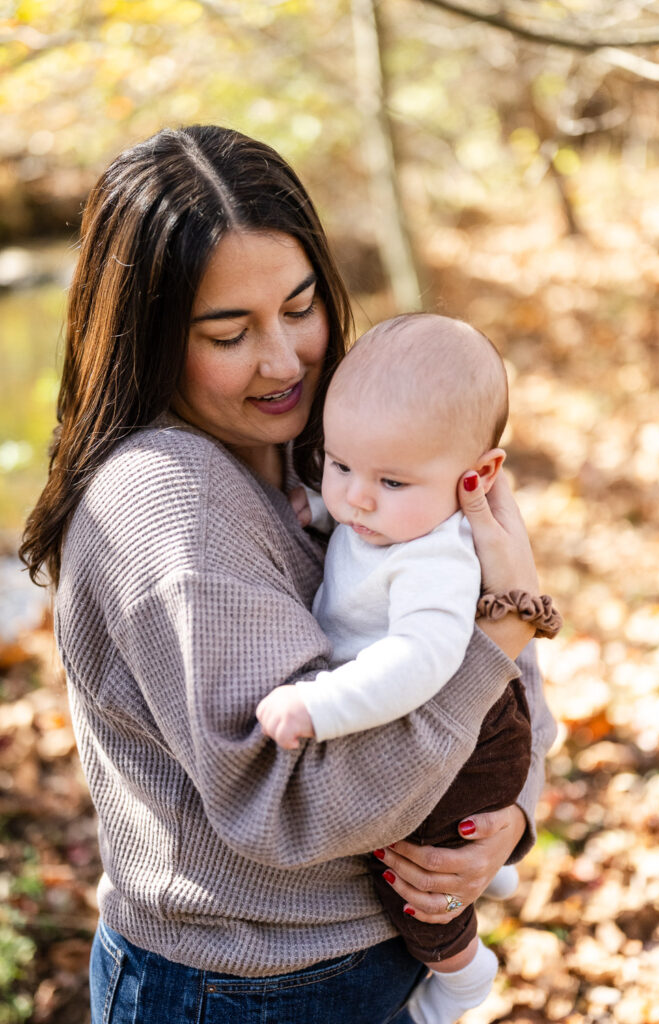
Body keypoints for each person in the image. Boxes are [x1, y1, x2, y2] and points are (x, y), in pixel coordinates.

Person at [20, 125, 557, 1024]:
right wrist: (500, 628)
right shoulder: (167, 505)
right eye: (229, 333)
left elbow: (502, 690)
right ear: (147, 338)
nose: (284, 360)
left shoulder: (343, 444)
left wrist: (503, 817)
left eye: (300, 307)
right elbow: (291, 801)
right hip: (243, 984)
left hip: (380, 953)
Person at [256, 313, 561, 1024]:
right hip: (452, 721)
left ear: (475, 478)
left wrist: (319, 705)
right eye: (338, 466)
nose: (357, 498)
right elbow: (358, 524)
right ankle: (501, 867)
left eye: (389, 479)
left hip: (467, 734)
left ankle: (462, 971)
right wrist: (315, 506)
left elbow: (418, 663)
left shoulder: (435, 557)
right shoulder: (391, 513)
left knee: (416, 881)